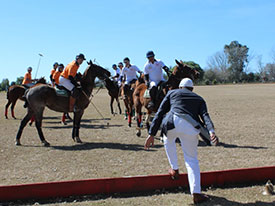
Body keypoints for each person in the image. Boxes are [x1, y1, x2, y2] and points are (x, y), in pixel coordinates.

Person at [144, 78, 218, 204]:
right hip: (190, 127)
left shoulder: (171, 93)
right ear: (192, 89)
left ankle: (174, 168)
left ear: (180, 87)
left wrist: (151, 134)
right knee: (191, 160)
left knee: (168, 139)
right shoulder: (199, 98)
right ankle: (196, 193)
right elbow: (205, 116)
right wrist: (211, 131)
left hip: (171, 123)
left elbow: (160, 112)